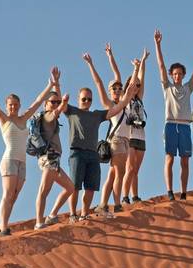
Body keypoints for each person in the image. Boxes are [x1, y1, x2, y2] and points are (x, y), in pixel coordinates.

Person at [0, 67, 58, 236]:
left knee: (14, 196)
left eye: (15, 104)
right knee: (7, 194)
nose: (13, 107)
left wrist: (50, 85)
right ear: (6, 106)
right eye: (10, 105)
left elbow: (37, 102)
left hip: (22, 162)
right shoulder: (3, 119)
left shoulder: (24, 118)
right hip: (9, 160)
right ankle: (3, 228)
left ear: (19, 105)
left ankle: (4, 224)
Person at [60, 57, 139, 222]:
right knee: (75, 185)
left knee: (90, 187)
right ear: (79, 99)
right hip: (77, 153)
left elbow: (122, 102)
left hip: (93, 154)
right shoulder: (72, 111)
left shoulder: (97, 114)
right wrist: (58, 88)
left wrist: (136, 72)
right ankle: (73, 214)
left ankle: (84, 213)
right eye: (84, 99)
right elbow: (62, 106)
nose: (87, 101)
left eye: (89, 99)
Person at [82, 47, 143, 216]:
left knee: (113, 174)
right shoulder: (110, 105)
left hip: (124, 140)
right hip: (116, 140)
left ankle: (102, 204)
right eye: (113, 89)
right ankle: (116, 204)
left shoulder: (125, 101)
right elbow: (99, 83)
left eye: (118, 88)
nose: (117, 90)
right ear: (110, 92)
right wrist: (91, 65)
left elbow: (130, 85)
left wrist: (135, 67)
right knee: (120, 173)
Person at [154, 30, 193, 200]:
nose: (177, 76)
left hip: (184, 126)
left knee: (185, 161)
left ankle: (184, 192)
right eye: (175, 74)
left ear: (183, 75)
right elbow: (161, 66)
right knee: (169, 159)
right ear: (172, 75)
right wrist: (158, 45)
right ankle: (170, 191)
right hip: (170, 125)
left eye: (180, 74)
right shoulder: (167, 87)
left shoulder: (187, 88)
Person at [34, 85, 75, 229]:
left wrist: (56, 82)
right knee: (44, 190)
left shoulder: (51, 116)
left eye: (57, 102)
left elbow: (58, 108)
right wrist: (63, 102)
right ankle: (39, 222)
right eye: (52, 102)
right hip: (49, 159)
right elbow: (57, 111)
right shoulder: (47, 116)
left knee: (70, 187)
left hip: (54, 160)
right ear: (46, 104)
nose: (55, 104)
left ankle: (51, 216)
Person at [117, 47, 150, 206]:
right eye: (134, 85)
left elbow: (142, 79)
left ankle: (135, 196)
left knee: (136, 170)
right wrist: (135, 68)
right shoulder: (125, 99)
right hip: (129, 137)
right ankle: (125, 197)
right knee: (129, 169)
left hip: (141, 136)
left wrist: (143, 61)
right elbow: (132, 84)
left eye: (138, 86)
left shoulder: (140, 99)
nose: (136, 87)